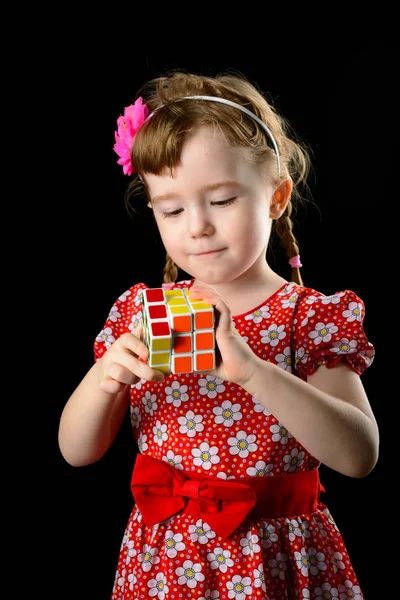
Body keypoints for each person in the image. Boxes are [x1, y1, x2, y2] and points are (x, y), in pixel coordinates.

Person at [58, 70, 379, 600]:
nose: (197, 226)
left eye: (222, 201)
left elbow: (359, 454)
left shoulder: (308, 316)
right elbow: (75, 451)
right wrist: (107, 377)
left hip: (277, 559)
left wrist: (253, 372)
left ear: (276, 198)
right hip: (165, 561)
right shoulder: (141, 313)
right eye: (173, 208)